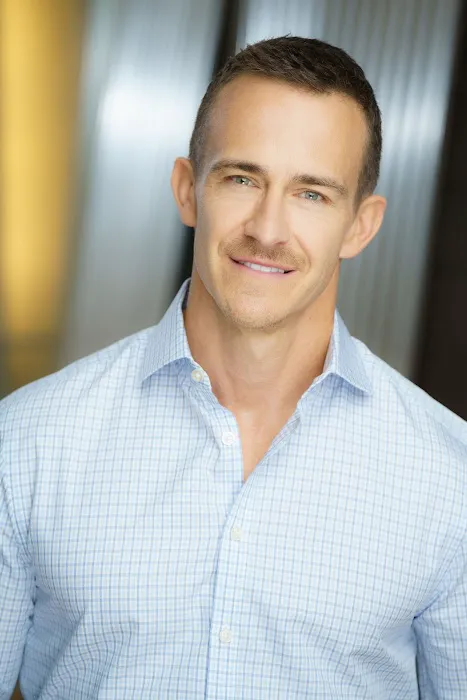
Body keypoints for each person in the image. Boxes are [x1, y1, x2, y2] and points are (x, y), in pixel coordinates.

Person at [1, 35, 466, 700]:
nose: (268, 230)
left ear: (360, 226)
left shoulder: (450, 479)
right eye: (242, 179)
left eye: (312, 194)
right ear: (188, 190)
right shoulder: (27, 443)